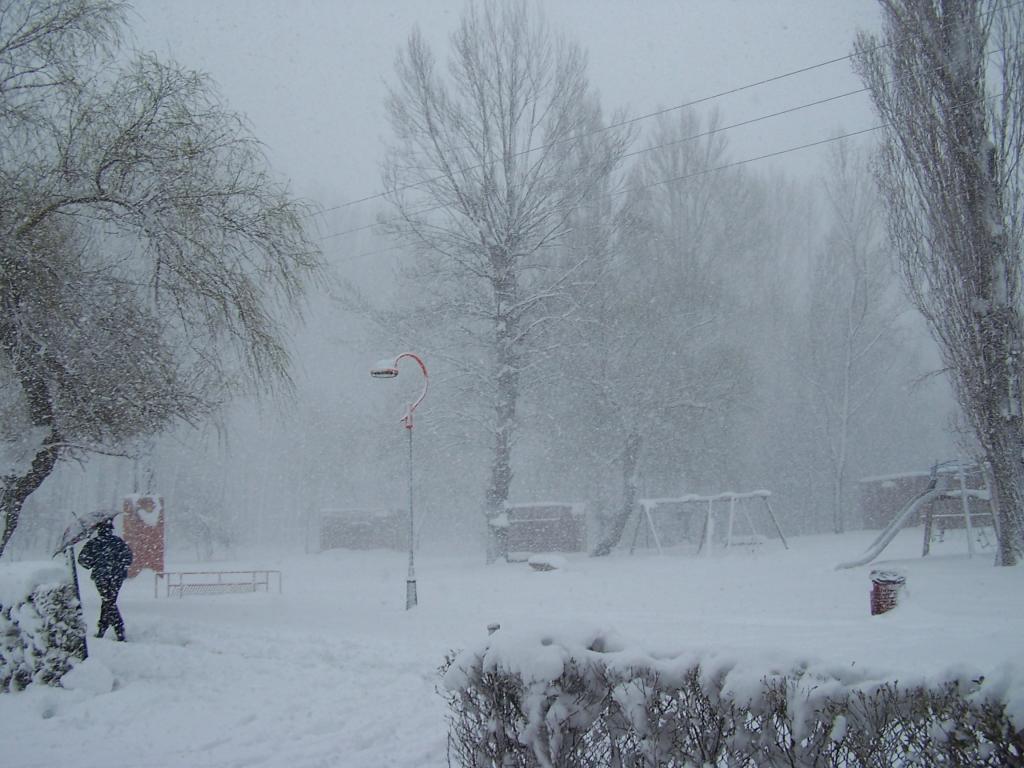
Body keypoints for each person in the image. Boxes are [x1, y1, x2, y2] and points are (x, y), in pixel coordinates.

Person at [77, 519, 133, 641]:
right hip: (117, 577)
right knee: (109, 601)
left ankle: (115, 629)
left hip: (101, 577)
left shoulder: (93, 543)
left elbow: (82, 561)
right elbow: (128, 558)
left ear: (98, 530)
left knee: (108, 601)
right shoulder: (118, 542)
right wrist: (119, 566)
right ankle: (109, 629)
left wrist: (93, 562)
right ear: (111, 529)